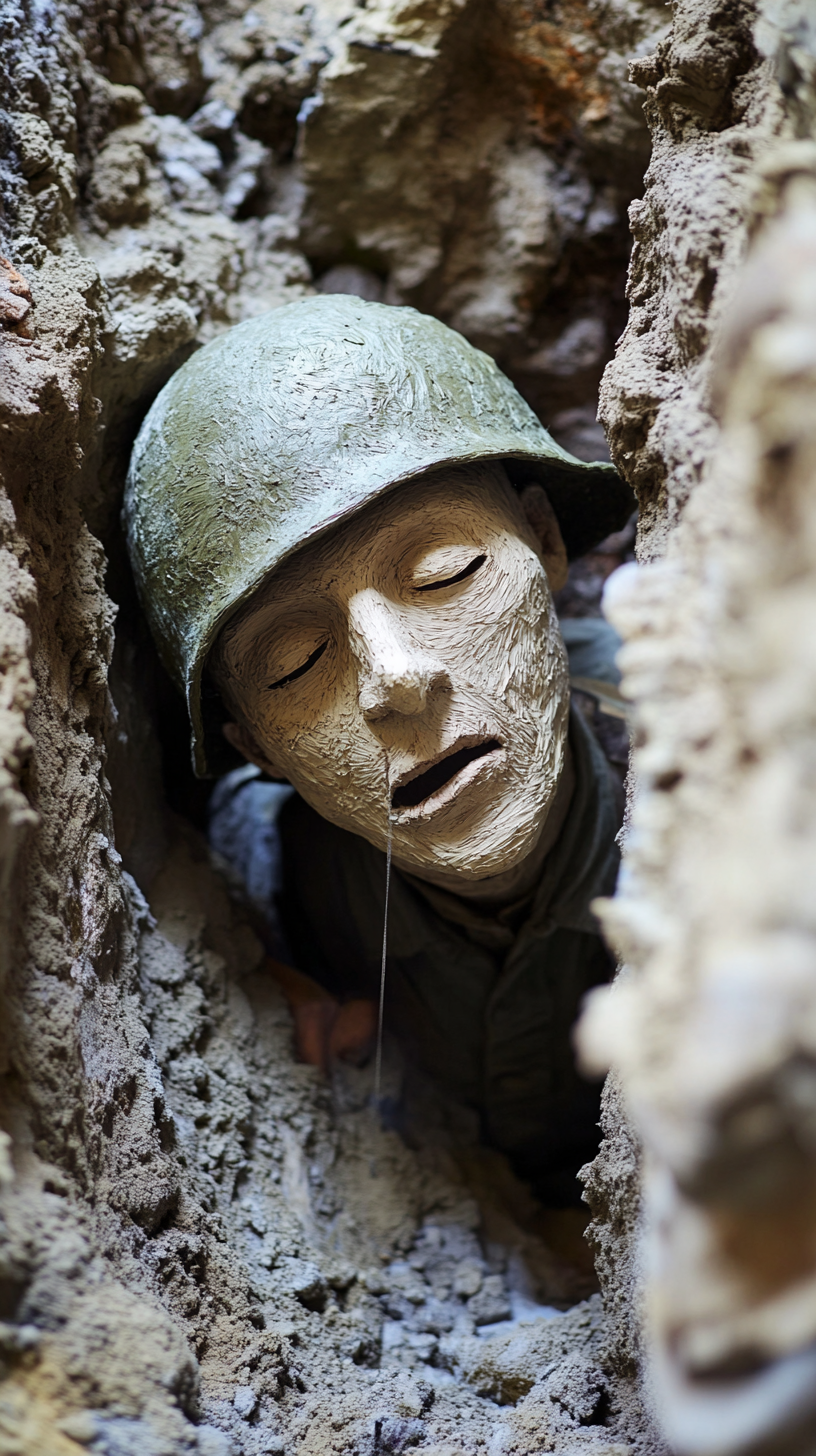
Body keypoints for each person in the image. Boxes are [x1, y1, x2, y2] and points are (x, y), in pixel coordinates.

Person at [125, 295, 633, 1207]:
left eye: (446, 571)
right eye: (296, 663)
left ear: (545, 542)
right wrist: (254, 972)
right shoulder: (275, 880)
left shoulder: (723, 772)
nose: (395, 681)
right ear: (256, 748)